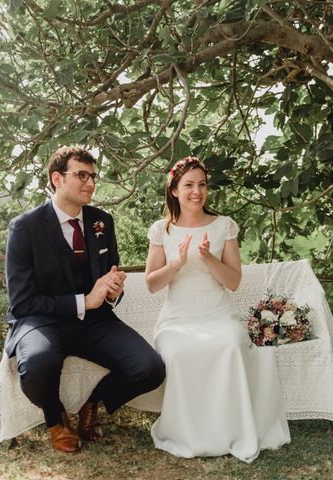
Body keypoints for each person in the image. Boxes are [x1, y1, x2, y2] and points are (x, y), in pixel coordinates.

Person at [4, 146, 165, 453]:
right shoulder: (24, 228)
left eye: (93, 176)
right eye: (81, 175)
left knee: (151, 368)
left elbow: (108, 277)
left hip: (96, 322)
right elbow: (22, 303)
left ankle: (92, 403)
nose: (90, 183)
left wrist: (114, 290)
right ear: (57, 179)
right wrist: (84, 301)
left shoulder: (102, 221)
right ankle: (56, 419)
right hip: (43, 323)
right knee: (36, 365)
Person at [144, 156, 290, 462]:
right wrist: (176, 264)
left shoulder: (224, 225)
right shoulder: (162, 230)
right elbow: (152, 284)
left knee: (231, 344)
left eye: (202, 185)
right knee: (177, 352)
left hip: (218, 314)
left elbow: (234, 282)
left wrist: (209, 258)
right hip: (177, 318)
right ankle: (187, 433)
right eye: (189, 185)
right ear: (174, 190)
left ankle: (232, 431)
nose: (196, 191)